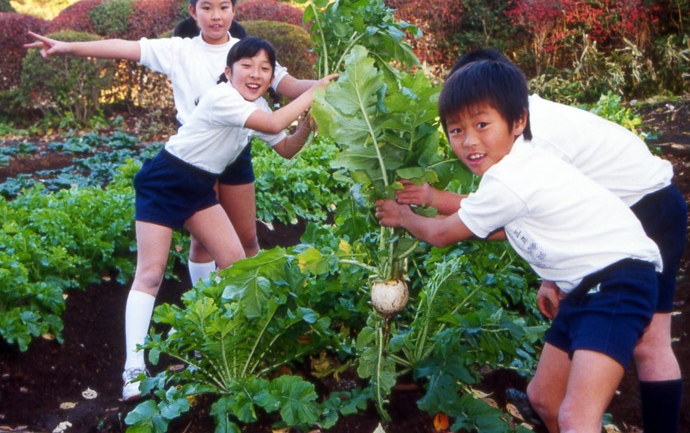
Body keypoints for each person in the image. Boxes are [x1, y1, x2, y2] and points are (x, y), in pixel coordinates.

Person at [395, 49, 686, 433]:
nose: (468, 138)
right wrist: (551, 277)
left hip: (643, 214)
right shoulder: (510, 138)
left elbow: (477, 220)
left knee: (645, 350)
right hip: (593, 258)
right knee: (546, 398)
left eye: (479, 121)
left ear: (513, 114)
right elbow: (538, 215)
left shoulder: (528, 144)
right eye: (456, 128)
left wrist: (411, 213)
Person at [25, 0, 316, 290]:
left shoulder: (248, 52)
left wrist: (330, 85)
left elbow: (291, 86)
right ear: (193, 12)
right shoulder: (179, 50)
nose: (216, 16)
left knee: (246, 237)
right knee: (203, 242)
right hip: (196, 155)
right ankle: (202, 304)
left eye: (223, 7)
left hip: (234, 152)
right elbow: (124, 48)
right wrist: (66, 46)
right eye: (207, 8)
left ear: (234, 10)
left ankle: (243, 301)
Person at [126, 36, 335, 401]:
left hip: (199, 190)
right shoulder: (224, 97)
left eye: (265, 68)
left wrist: (307, 125)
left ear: (272, 78)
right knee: (151, 273)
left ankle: (205, 345)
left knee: (236, 265)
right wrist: (315, 91)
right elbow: (271, 126)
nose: (255, 74)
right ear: (228, 71)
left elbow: (286, 149)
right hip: (164, 181)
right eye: (247, 66)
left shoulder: (253, 108)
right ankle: (133, 369)